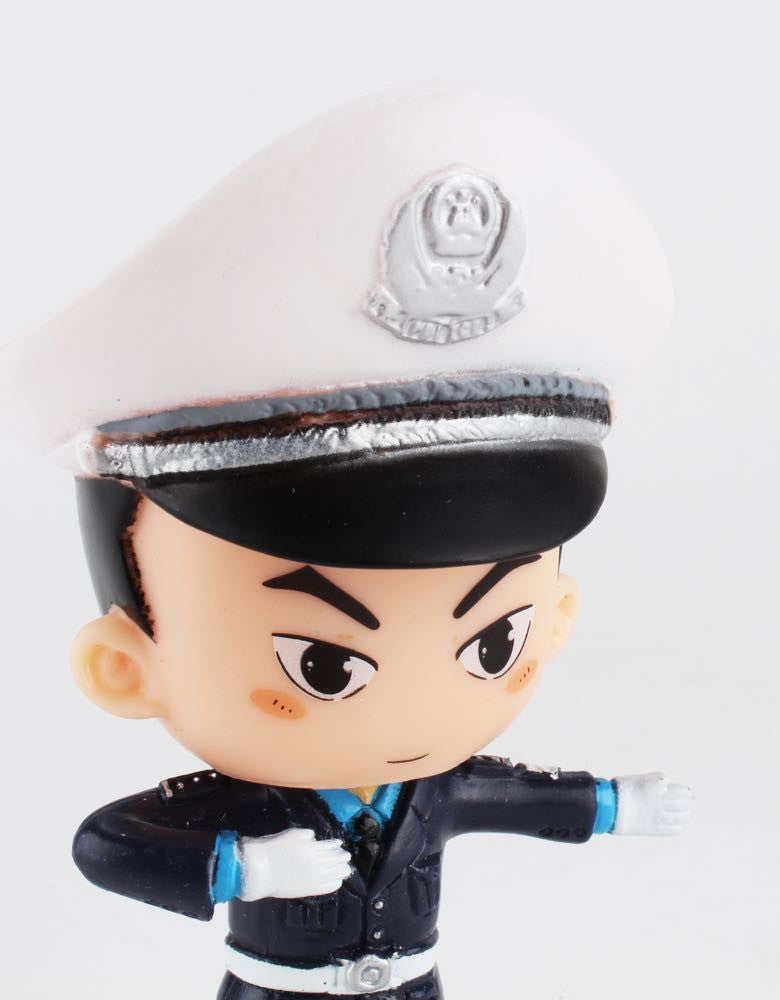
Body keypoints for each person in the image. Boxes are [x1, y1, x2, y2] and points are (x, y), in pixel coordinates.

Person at [0, 86, 691, 999]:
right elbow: (107, 846)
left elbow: (521, 798)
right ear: (126, 667)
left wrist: (613, 805)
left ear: (555, 622)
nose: (416, 708)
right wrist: (240, 869)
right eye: (323, 665)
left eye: (495, 646)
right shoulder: (256, 807)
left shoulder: (436, 789)